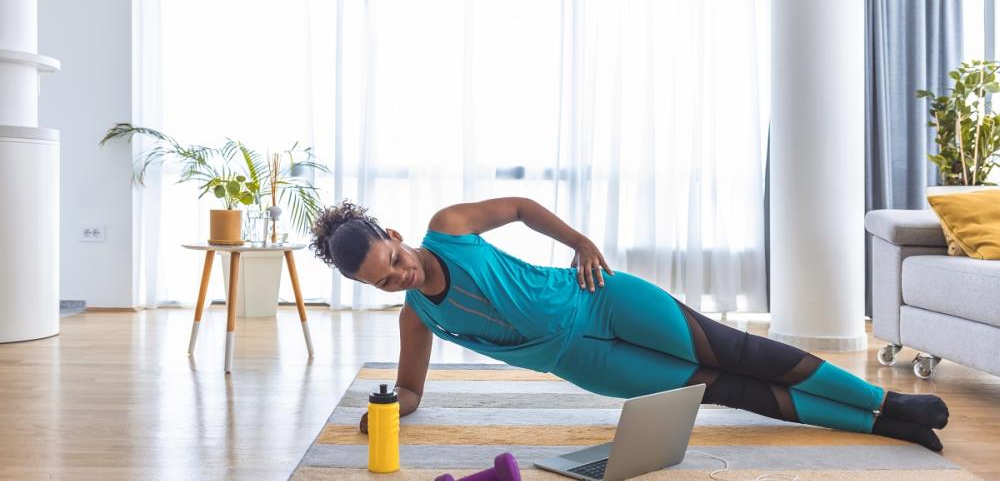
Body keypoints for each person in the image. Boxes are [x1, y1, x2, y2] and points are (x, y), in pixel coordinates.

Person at [310, 197, 949, 451]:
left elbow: (522, 208)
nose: (399, 277)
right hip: (584, 363)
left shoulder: (448, 227)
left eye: (392, 261)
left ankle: (887, 401)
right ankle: (882, 425)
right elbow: (412, 388)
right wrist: (391, 408)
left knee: (738, 350)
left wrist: (580, 241)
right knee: (723, 387)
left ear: (394, 235)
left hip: (600, 298)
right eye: (383, 281)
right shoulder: (417, 319)